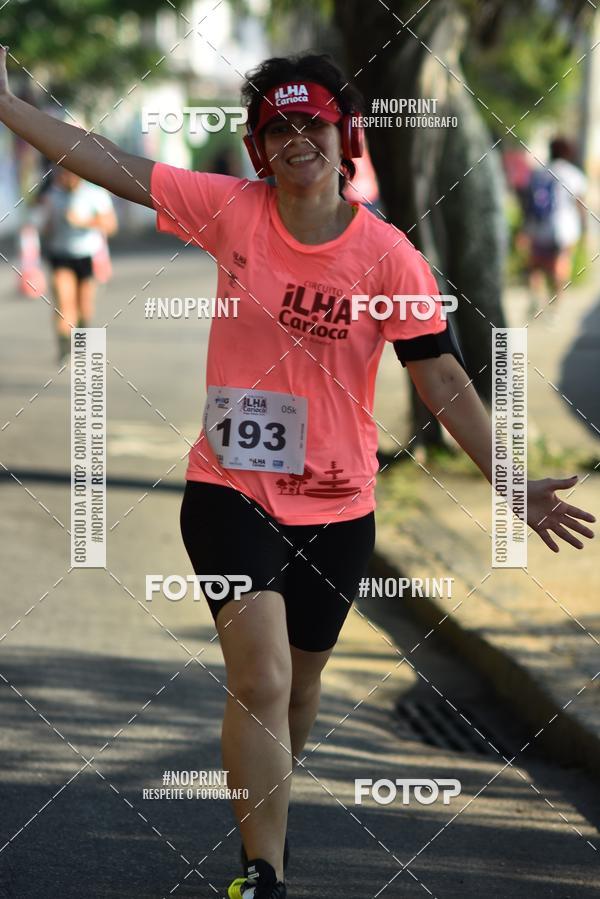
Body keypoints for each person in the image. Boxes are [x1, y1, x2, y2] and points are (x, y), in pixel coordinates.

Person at [0, 47, 595, 899]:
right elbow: (111, 160)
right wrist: (9, 107)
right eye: (274, 129)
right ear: (256, 148)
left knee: (301, 688)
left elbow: (445, 379)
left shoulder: (390, 259)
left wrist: (512, 481)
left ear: (343, 135)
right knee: (264, 677)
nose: (293, 141)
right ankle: (262, 873)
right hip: (229, 492)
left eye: (308, 123)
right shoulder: (230, 211)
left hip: (341, 505)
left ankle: (263, 814)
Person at [32, 164, 118, 361]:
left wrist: (83, 222)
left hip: (86, 256)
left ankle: (82, 339)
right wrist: (46, 225)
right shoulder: (52, 195)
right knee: (64, 301)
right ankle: (64, 349)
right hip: (60, 255)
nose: (65, 179)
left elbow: (111, 226)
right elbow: (43, 227)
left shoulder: (94, 194)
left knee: (84, 305)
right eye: (61, 174)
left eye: (69, 175)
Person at [522, 136, 587, 316]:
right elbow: (580, 205)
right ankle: (555, 306)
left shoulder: (539, 172)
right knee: (560, 264)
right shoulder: (574, 174)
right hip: (564, 228)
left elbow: (528, 202)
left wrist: (525, 229)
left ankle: (535, 298)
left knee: (536, 266)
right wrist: (584, 230)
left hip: (539, 227)